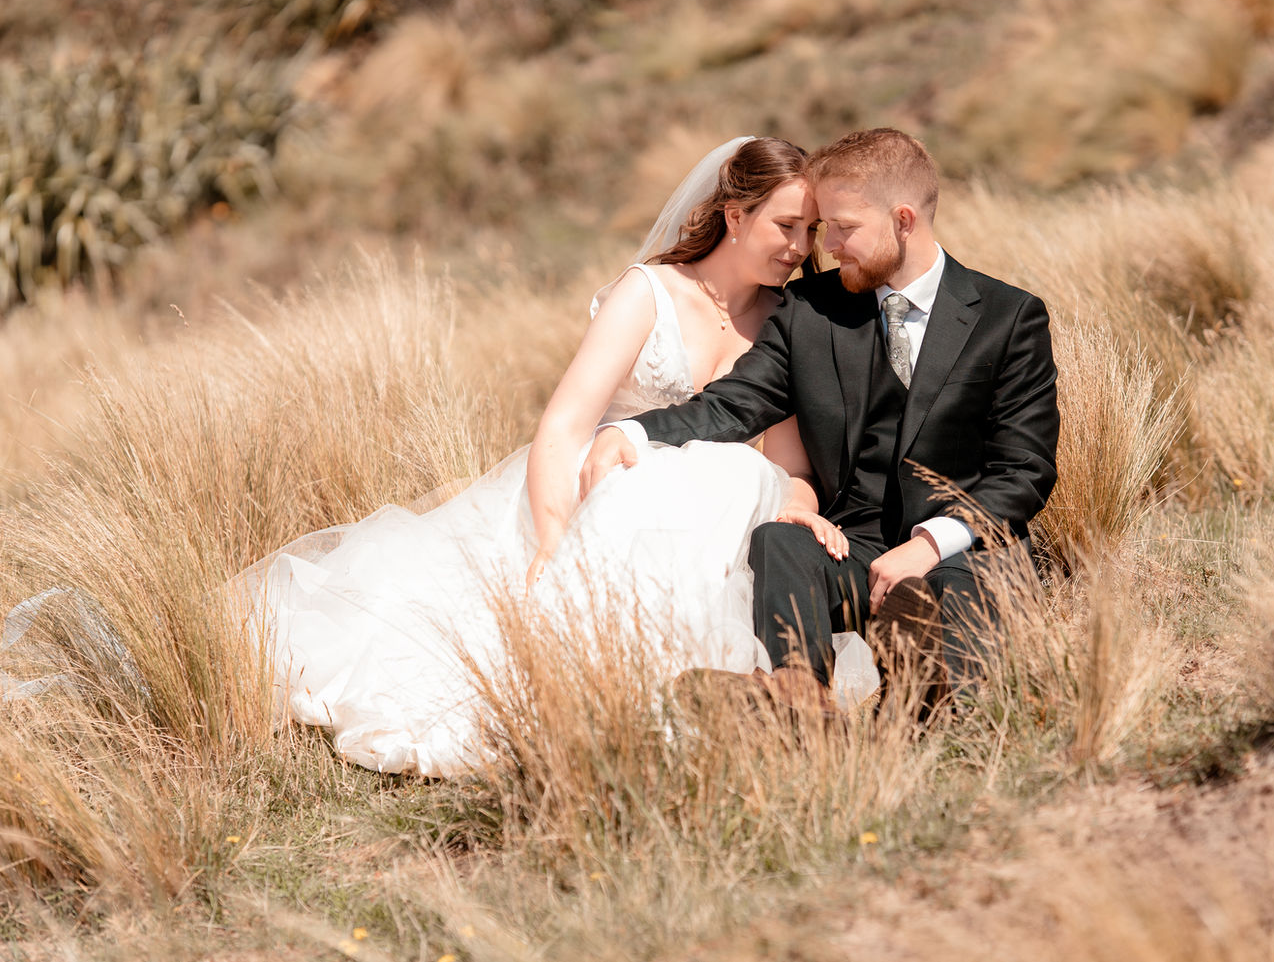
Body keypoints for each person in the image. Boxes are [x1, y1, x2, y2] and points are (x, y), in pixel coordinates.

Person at [230, 135, 876, 777]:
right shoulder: (650, 293)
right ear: (735, 215)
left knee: (735, 474)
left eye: (811, 230)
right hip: (598, 491)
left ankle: (711, 704)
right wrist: (551, 537)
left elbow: (788, 463)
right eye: (785, 225)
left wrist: (798, 507)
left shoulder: (787, 318)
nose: (799, 247)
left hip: (707, 519)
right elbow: (564, 425)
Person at [581, 128, 1060, 714]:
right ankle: (800, 698)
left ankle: (918, 693)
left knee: (953, 669)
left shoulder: (1008, 318)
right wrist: (632, 431)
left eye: (843, 227)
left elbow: (1024, 470)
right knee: (780, 541)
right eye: (823, 227)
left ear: (903, 220)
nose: (826, 246)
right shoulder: (810, 311)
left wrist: (928, 545)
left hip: (959, 555)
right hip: (850, 552)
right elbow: (733, 403)